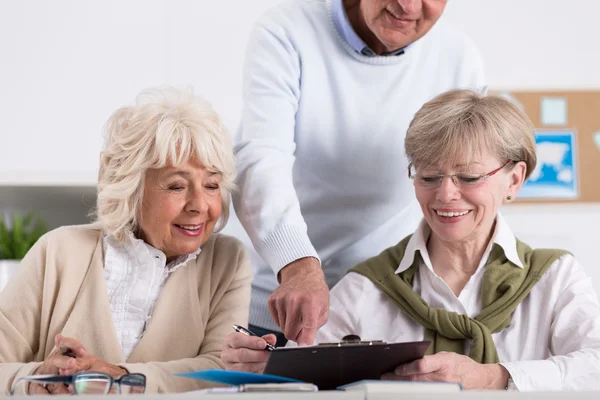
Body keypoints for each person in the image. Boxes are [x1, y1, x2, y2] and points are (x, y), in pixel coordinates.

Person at [223, 89, 600, 390]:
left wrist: (494, 377)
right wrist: (261, 366)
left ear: (514, 180)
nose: (446, 195)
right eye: (429, 177)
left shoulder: (556, 277)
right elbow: (301, 376)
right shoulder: (365, 287)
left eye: (468, 178)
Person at [231, 0, 485, 345]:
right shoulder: (286, 31)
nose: (408, 6)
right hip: (284, 306)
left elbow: (472, 184)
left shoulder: (457, 55)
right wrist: (297, 264)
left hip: (394, 311)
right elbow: (260, 156)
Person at [0, 87, 252, 395]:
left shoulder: (227, 262)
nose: (200, 205)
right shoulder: (57, 252)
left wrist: (120, 376)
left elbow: (222, 370)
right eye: (177, 186)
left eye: (212, 185)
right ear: (130, 186)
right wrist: (38, 375)